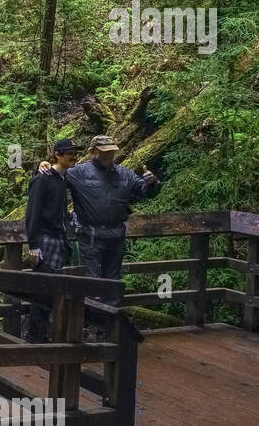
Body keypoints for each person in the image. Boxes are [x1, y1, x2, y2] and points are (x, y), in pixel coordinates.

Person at [57, 135, 160, 295]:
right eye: (102, 151)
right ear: (92, 152)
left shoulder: (125, 174)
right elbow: (53, 178)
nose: (107, 155)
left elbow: (145, 191)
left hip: (117, 236)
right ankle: (92, 317)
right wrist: (44, 166)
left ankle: (110, 317)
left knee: (113, 281)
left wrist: (152, 182)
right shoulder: (78, 172)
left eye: (111, 151)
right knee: (92, 282)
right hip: (91, 236)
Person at [24, 138, 80, 342]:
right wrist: (33, 245)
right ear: (58, 154)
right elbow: (32, 212)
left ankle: (45, 334)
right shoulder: (43, 178)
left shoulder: (63, 178)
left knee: (54, 288)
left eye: (75, 152)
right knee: (42, 289)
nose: (73, 156)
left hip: (59, 240)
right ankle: (35, 336)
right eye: (69, 153)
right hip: (45, 239)